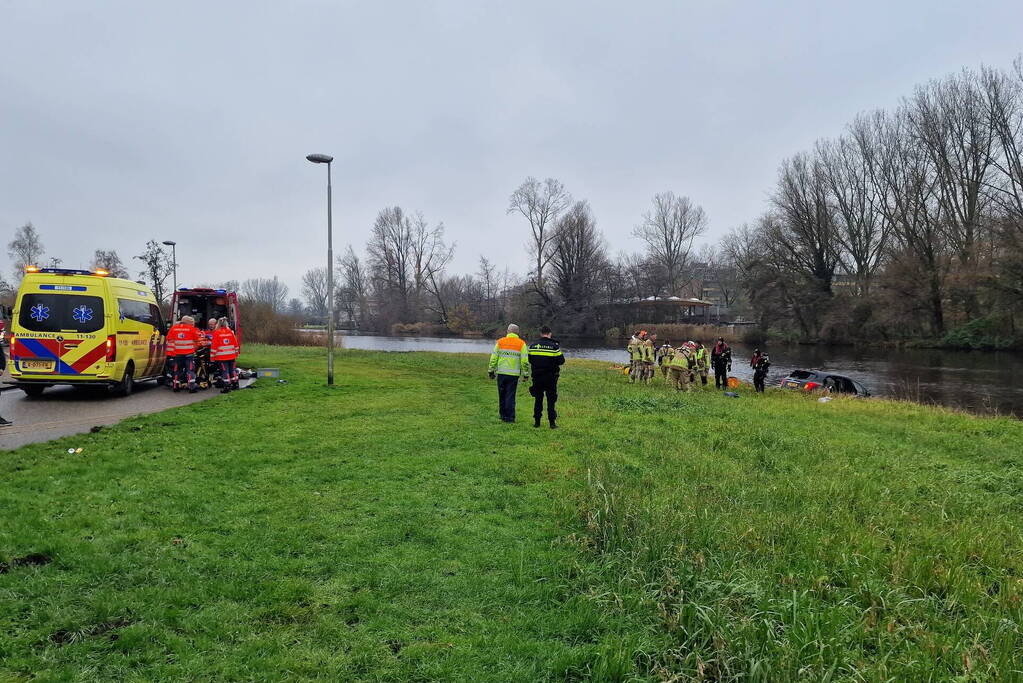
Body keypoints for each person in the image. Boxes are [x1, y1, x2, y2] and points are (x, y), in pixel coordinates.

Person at [488, 323, 530, 423]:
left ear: (507, 331)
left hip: (501, 373)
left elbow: (493, 358)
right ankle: (510, 418)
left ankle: (502, 415)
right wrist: (526, 374)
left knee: (502, 395)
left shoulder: (500, 342)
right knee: (510, 396)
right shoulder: (521, 343)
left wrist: (491, 371)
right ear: (518, 333)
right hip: (513, 375)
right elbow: (524, 361)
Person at [527, 325, 565, 429]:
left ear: (540, 333)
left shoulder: (533, 345)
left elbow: (530, 360)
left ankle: (537, 422)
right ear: (550, 333)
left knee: (538, 399)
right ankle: (552, 423)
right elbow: (561, 361)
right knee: (551, 400)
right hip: (550, 377)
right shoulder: (554, 346)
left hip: (537, 377)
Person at [167, 315, 201, 393]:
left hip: (177, 354)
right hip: (189, 354)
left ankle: (175, 386)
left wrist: (172, 352)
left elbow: (169, 340)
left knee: (177, 370)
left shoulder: (174, 328)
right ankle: (192, 387)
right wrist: (194, 349)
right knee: (190, 370)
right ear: (188, 322)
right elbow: (197, 341)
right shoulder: (191, 329)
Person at [211, 317, 241, 393]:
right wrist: (236, 353)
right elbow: (235, 344)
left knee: (225, 371)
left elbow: (214, 346)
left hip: (222, 357)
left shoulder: (217, 333)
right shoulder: (230, 332)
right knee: (233, 370)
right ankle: (235, 384)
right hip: (231, 356)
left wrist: (212, 356)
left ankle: (227, 386)